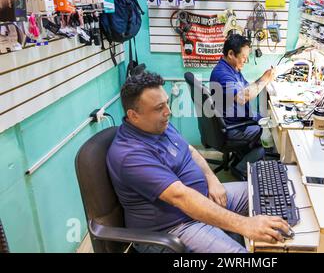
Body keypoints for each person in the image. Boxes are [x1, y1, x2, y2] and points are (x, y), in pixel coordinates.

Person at [106, 72, 290, 253]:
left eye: (167, 103)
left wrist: (212, 179)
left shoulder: (158, 126)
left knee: (273, 192)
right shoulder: (129, 155)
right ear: (134, 115)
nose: (168, 112)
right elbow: (181, 197)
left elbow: (191, 151)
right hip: (176, 226)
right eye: (159, 107)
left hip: (204, 199)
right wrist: (245, 225)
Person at [210, 34, 276, 178]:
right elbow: (242, 97)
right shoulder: (222, 74)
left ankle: (244, 154)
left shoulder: (233, 70)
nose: (246, 60)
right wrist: (265, 79)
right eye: (244, 56)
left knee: (263, 121)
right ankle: (240, 168)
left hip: (237, 119)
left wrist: (265, 77)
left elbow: (247, 88)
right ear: (231, 54)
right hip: (232, 126)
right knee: (267, 135)